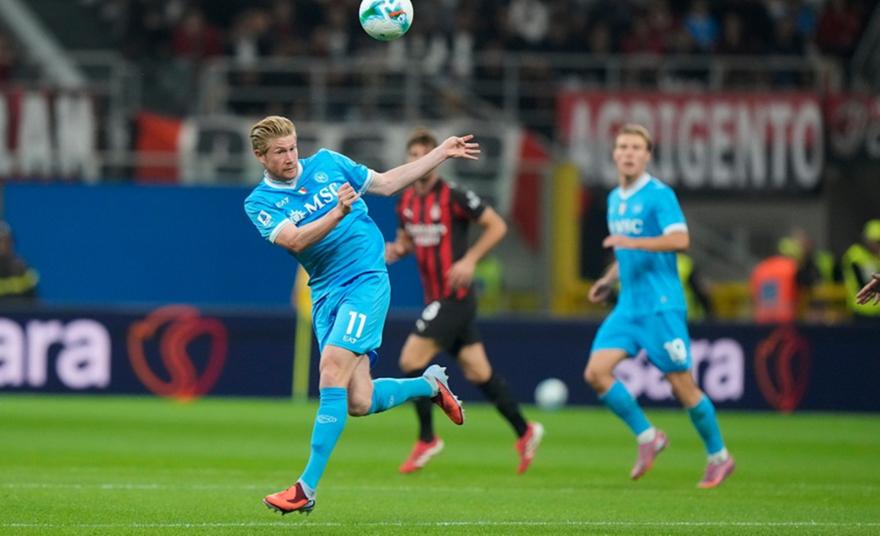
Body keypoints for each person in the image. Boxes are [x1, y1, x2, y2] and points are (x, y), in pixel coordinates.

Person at [244, 116, 479, 515]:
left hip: (366, 280)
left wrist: (441, 152)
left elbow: (386, 183)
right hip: (325, 292)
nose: (290, 157)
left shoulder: (328, 162)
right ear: (260, 156)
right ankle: (429, 386)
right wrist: (337, 212)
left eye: (293, 147)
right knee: (358, 400)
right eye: (280, 152)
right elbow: (295, 240)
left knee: (331, 367)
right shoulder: (259, 202)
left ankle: (305, 488)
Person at [385, 129, 543, 475]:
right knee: (478, 371)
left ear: (436, 160)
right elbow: (406, 242)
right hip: (436, 298)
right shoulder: (406, 202)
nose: (418, 161)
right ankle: (525, 430)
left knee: (411, 360)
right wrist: (394, 251)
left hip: (454, 297)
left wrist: (470, 260)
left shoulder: (453, 195)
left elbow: (496, 226)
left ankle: (427, 438)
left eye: (424, 155)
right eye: (413, 155)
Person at [584, 124, 734, 489]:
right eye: (623, 146)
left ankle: (719, 456)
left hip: (661, 307)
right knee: (596, 373)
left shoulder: (659, 195)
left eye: (637, 147)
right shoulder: (615, 198)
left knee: (682, 385)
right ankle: (648, 436)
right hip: (628, 307)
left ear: (647, 155)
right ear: (614, 154)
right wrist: (609, 279)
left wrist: (634, 242)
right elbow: (625, 249)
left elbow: (680, 239)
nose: (629, 153)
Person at [841, 220, 880, 321]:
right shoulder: (856, 255)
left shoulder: (876, 257)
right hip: (862, 309)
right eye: (877, 242)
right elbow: (864, 283)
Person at [0, 221, 39, 304]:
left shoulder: (23, 269)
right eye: (1, 241)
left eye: (8, 241)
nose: (5, 245)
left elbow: (34, 303)